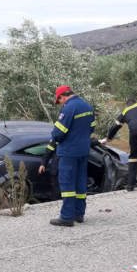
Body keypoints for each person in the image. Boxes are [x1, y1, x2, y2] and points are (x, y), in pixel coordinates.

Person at [48, 85, 95, 227]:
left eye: (60, 100)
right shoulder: (88, 106)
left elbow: (58, 133)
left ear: (63, 96)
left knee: (67, 183)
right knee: (80, 182)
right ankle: (79, 214)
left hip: (69, 152)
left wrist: (57, 137)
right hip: (83, 151)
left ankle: (67, 217)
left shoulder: (69, 108)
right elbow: (91, 127)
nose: (61, 103)